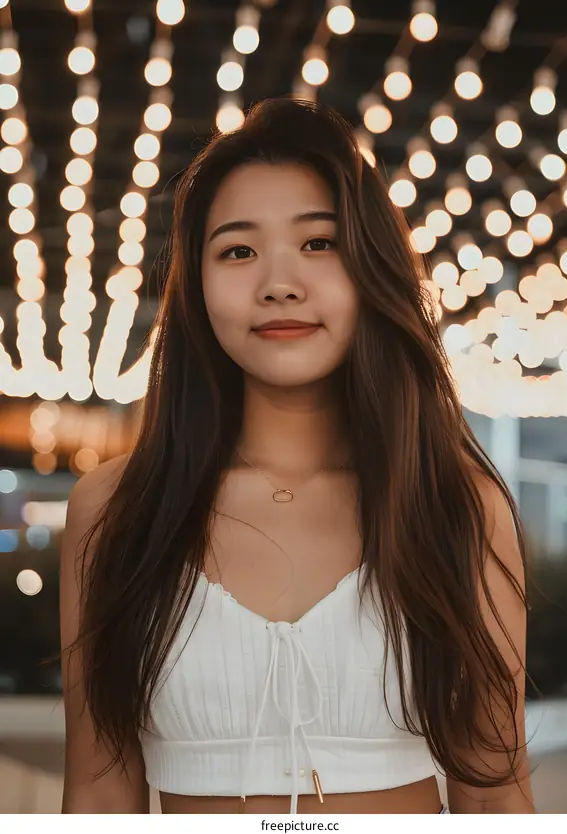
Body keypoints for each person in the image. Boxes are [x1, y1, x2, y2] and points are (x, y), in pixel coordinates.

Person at [60, 96, 534, 814]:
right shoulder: (115, 509)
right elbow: (97, 790)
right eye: (238, 251)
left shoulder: (456, 505)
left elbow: (495, 795)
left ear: (371, 267)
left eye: (319, 243)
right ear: (197, 287)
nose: (279, 283)